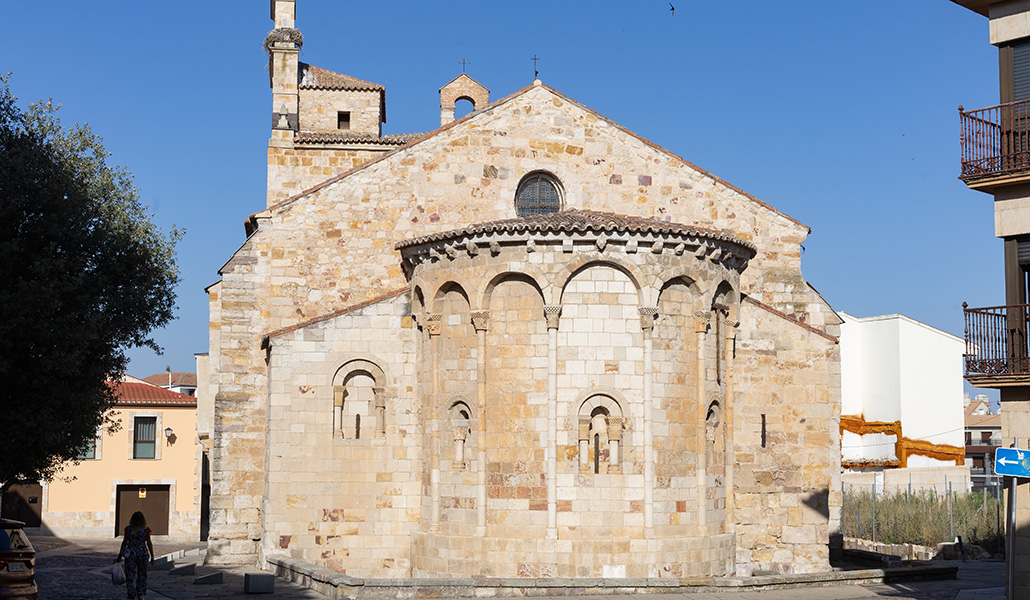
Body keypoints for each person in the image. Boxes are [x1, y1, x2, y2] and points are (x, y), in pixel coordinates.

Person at [114, 511, 155, 600]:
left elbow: (125, 542)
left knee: (130, 575)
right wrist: (152, 556)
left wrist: (120, 555)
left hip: (131, 554)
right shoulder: (146, 530)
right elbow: (149, 543)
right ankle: (140, 594)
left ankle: (131, 594)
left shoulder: (128, 529)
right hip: (142, 554)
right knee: (142, 575)